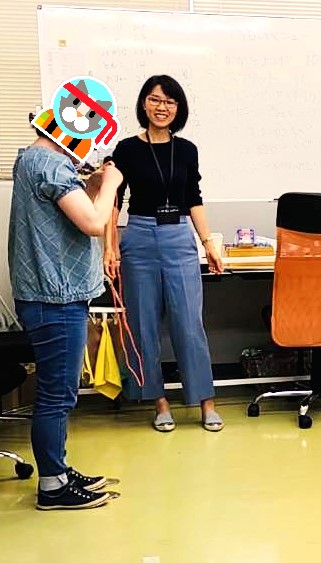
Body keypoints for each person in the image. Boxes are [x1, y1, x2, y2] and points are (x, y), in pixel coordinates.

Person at [9, 122, 123, 509]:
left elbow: (76, 209)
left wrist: (92, 185)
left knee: (58, 393)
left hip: (49, 295)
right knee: (57, 396)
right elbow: (93, 223)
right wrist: (111, 185)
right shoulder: (52, 165)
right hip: (55, 299)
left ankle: (57, 469)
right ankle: (53, 487)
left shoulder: (33, 159)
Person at [104, 75, 225, 433]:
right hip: (139, 237)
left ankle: (206, 401)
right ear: (144, 104)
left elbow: (193, 198)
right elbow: (114, 202)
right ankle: (158, 402)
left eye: (170, 102)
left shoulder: (186, 150)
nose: (162, 107)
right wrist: (109, 247)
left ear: (178, 108)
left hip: (178, 237)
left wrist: (208, 243)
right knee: (142, 326)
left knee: (189, 323)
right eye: (155, 100)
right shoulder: (126, 149)